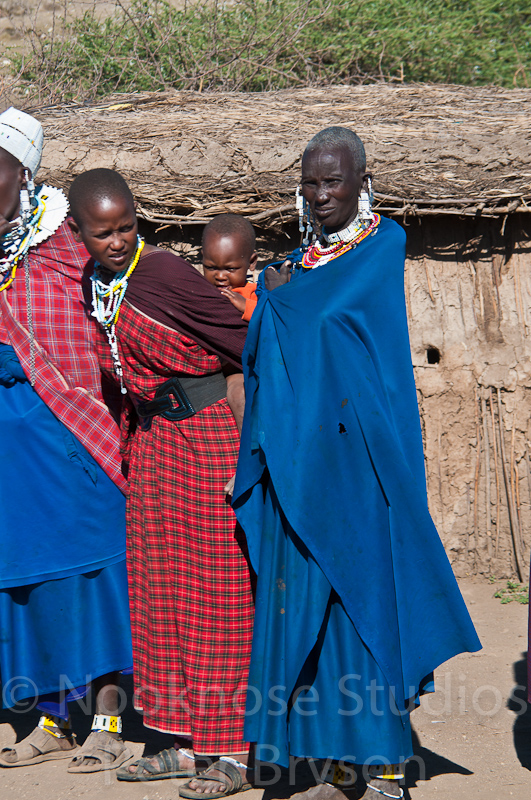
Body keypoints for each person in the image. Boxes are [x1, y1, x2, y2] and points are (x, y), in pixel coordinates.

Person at [232, 126, 482, 800]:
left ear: (361, 182)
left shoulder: (380, 248)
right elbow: (268, 352)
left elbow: (328, 318)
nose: (320, 195)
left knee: (363, 609)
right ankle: (336, 764)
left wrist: (280, 295)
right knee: (311, 618)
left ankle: (388, 770)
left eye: (333, 181)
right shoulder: (296, 266)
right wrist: (274, 296)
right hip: (299, 468)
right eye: (310, 183)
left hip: (359, 471)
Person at [68, 168, 255, 797]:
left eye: (126, 226)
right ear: (79, 233)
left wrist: (247, 445)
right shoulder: (97, 284)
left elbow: (246, 344)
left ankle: (234, 750)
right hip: (153, 447)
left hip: (207, 441)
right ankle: (181, 740)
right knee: (162, 592)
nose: (117, 240)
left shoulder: (164, 275)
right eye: (102, 232)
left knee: (219, 591)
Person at [0, 108, 133, 773]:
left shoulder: (68, 241)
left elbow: (113, 326)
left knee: (92, 576)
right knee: (33, 585)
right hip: (13, 460)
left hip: (76, 441)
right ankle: (51, 718)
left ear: (23, 176)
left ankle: (108, 719)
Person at [202, 214, 258, 322]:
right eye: (211, 267)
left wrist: (247, 307)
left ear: (251, 262)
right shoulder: (199, 292)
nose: (220, 276)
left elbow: (272, 321)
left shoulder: (255, 295)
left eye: (230, 269)